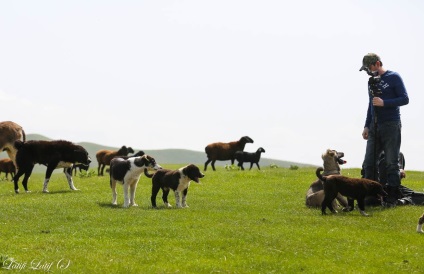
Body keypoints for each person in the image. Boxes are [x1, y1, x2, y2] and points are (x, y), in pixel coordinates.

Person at [359, 53, 409, 205]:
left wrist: (384, 102)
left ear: (378, 63)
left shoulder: (394, 77)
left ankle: (393, 195)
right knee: (369, 162)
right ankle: (371, 194)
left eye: (369, 68)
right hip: (374, 126)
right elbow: (371, 105)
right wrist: (367, 125)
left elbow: (405, 98)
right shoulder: (370, 83)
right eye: (366, 69)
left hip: (391, 125)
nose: (368, 71)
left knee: (391, 162)